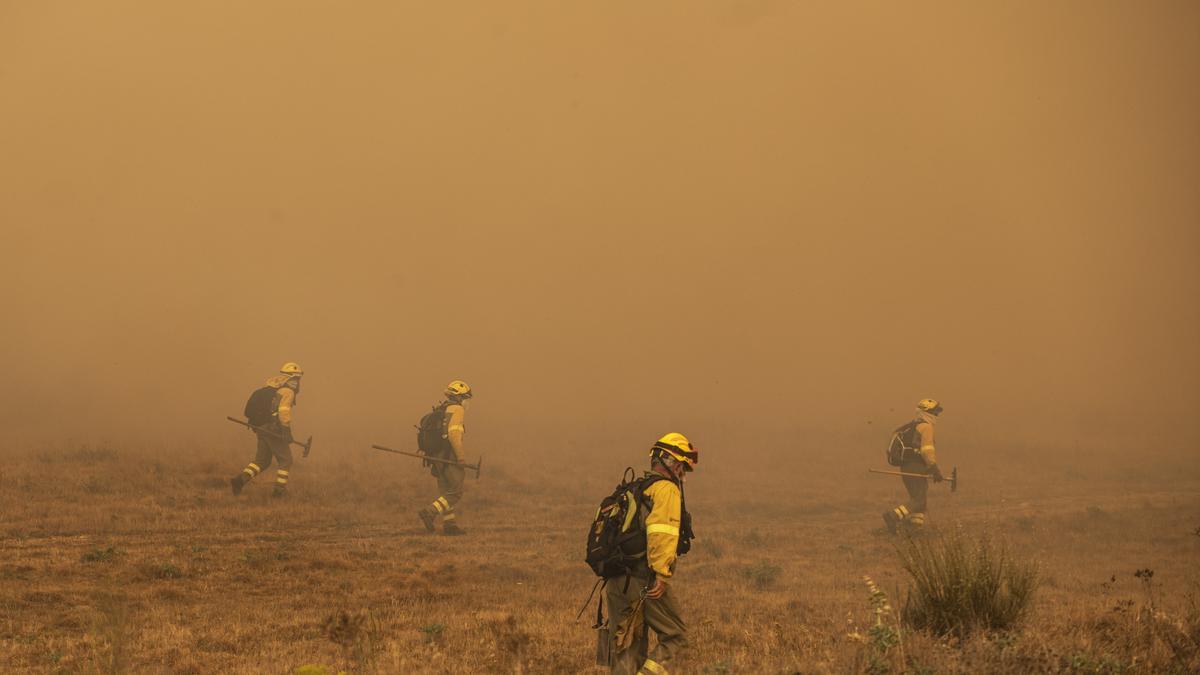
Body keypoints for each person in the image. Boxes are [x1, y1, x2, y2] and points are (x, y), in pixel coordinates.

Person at [605, 433, 698, 675]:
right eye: (681, 465)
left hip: (616, 581)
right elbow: (662, 533)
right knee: (677, 637)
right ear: (669, 461)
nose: (682, 472)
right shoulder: (665, 490)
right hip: (644, 579)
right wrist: (661, 574)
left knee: (627, 647)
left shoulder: (635, 489)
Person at [230, 362, 303, 497]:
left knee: (262, 461)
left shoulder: (271, 387)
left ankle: (239, 481)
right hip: (273, 429)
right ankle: (279, 492)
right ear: (293, 378)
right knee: (286, 460)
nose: (298, 382)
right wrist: (286, 431)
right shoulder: (287, 391)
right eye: (297, 379)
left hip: (261, 428)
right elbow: (283, 412)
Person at [416, 380, 472, 536]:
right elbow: (454, 435)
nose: (468, 402)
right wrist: (460, 458)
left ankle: (450, 525)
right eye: (466, 397)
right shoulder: (457, 410)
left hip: (435, 456)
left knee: (445, 490)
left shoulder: (443, 408)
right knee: (455, 492)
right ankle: (430, 512)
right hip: (448, 456)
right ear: (459, 397)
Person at [883, 398, 945, 532]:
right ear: (927, 413)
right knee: (918, 500)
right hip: (916, 466)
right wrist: (934, 468)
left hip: (906, 466)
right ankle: (893, 516)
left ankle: (914, 527)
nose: (937, 416)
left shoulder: (910, 426)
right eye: (935, 412)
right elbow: (927, 449)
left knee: (918, 498)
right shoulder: (926, 427)